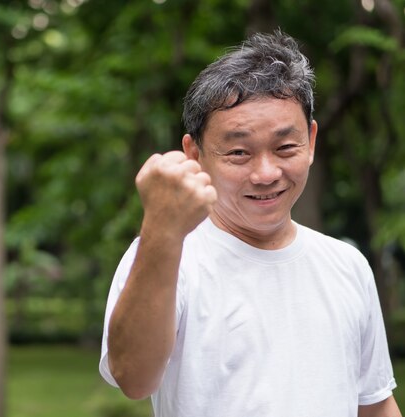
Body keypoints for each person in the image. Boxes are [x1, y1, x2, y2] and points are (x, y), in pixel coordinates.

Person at [99, 30, 401, 417]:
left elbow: (374, 404)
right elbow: (133, 378)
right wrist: (160, 229)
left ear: (310, 141)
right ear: (195, 153)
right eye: (239, 152)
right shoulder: (168, 253)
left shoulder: (347, 264)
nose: (265, 173)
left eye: (285, 147)